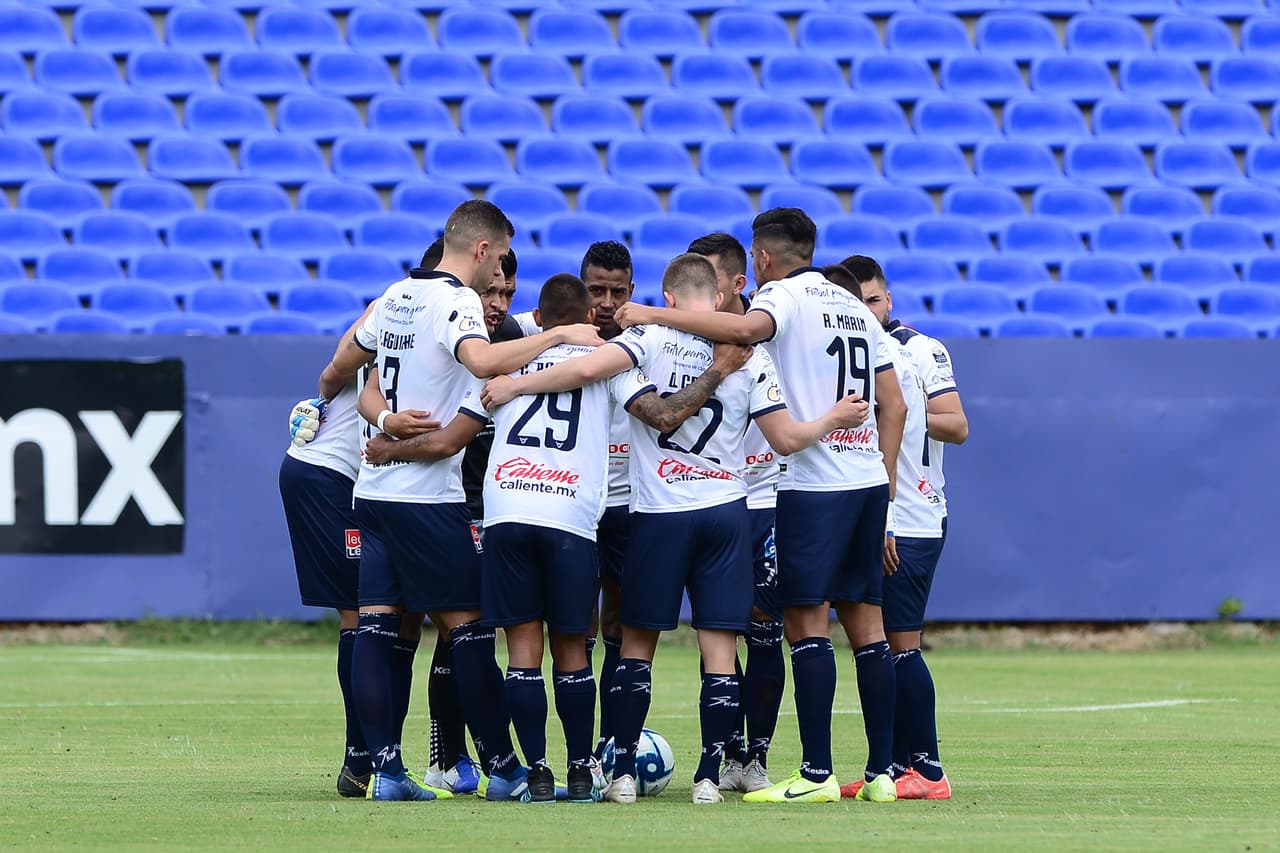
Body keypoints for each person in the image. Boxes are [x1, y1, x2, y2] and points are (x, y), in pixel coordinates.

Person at [483, 254, 871, 806]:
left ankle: (618, 773)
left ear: (666, 299)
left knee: (636, 644)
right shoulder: (748, 355)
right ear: (716, 302)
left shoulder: (647, 340)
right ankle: (710, 777)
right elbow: (784, 440)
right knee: (718, 648)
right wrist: (833, 420)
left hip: (659, 514)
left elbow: (591, 370)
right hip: (725, 513)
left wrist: (517, 387)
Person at [613, 209, 908, 805]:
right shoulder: (854, 305)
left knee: (803, 625)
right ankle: (881, 774)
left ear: (765, 259)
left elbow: (741, 333)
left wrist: (646, 313)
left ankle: (818, 775)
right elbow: (894, 404)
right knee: (869, 628)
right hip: (868, 481)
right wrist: (888, 488)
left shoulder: (784, 298)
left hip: (811, 484)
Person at [322, 199, 601, 802]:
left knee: (377, 625)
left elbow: (348, 368)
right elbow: (480, 360)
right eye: (499, 259)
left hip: (371, 495)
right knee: (469, 628)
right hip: (425, 499)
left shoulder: (394, 295)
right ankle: (503, 767)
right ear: (481, 250)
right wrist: (558, 334)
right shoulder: (454, 303)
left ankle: (389, 773)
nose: (497, 276)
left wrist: (387, 418)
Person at [282, 306, 440, 799]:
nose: (497, 296)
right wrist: (326, 394)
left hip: (372, 485)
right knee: (361, 614)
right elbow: (333, 370)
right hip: (328, 476)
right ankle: (362, 756)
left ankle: (377, 754)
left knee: (400, 616)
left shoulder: (456, 327)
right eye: (493, 282)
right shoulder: (394, 309)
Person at [837, 255, 969, 802]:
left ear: (887, 301)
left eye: (873, 300)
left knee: (900, 642)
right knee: (878, 643)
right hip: (875, 512)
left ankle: (929, 769)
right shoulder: (848, 351)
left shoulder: (920, 349)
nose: (866, 310)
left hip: (911, 512)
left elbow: (957, 424)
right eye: (856, 303)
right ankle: (889, 769)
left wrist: (899, 409)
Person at [510, 240, 638, 767]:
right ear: (584, 294)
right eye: (598, 290)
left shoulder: (645, 341)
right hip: (567, 501)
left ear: (633, 291)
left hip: (627, 499)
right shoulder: (527, 333)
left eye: (618, 291)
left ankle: (609, 740)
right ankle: (576, 752)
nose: (607, 301)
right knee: (575, 623)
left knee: (620, 623)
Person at [688, 232, 785, 795]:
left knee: (764, 632)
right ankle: (724, 751)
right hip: (709, 503)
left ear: (736, 284)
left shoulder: (763, 346)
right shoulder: (687, 346)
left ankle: (758, 755)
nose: (699, 296)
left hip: (765, 504)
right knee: (716, 634)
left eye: (710, 284)